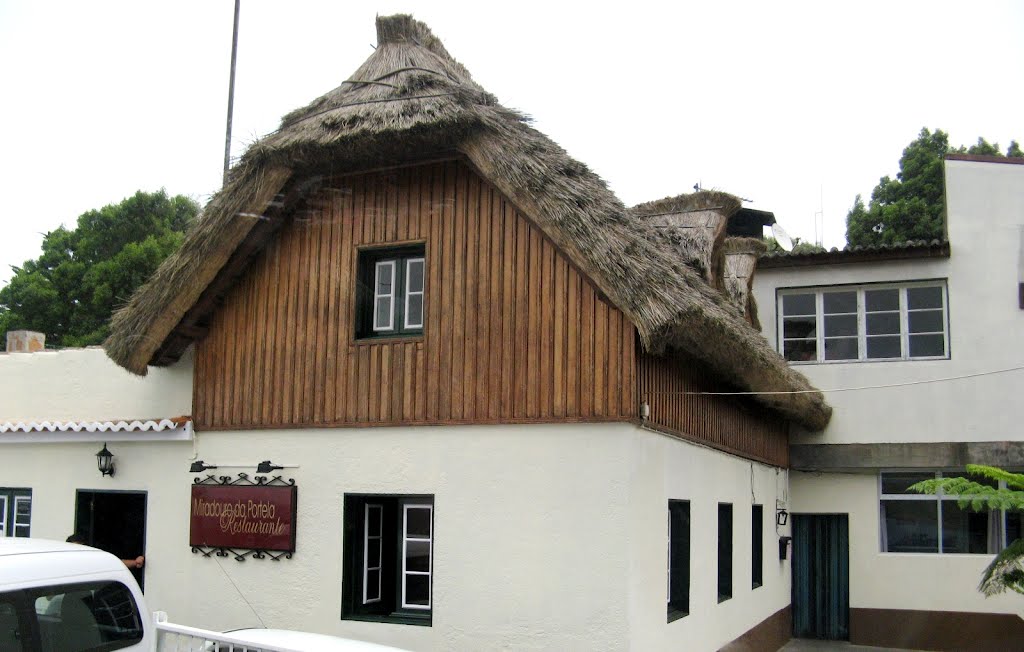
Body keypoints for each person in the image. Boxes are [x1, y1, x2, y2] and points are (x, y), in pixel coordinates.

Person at [66, 533, 145, 569]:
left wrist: (135, 562)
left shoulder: (92, 561)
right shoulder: (64, 564)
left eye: (81, 548)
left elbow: (113, 563)